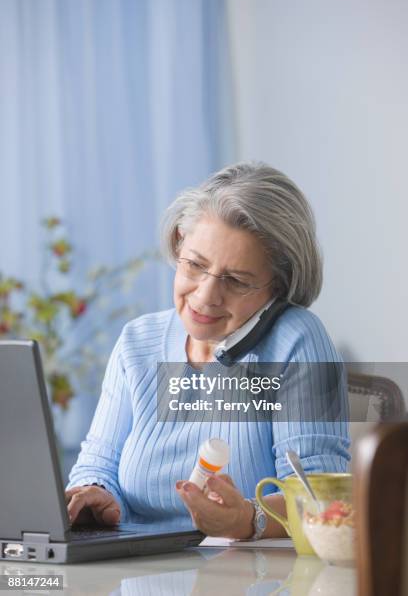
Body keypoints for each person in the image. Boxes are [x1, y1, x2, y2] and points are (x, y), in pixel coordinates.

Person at [66, 162, 350, 540]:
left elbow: (321, 500)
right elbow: (97, 463)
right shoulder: (138, 342)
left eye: (235, 281)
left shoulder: (295, 340)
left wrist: (249, 520)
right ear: (179, 242)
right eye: (195, 265)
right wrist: (97, 495)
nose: (205, 296)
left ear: (277, 288)